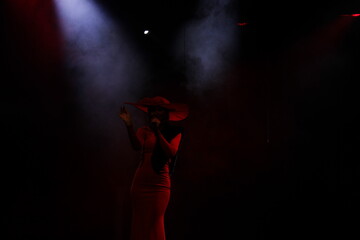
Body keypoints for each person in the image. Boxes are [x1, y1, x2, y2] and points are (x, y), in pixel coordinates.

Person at [119, 96, 189, 240]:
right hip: (140, 184)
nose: (155, 113)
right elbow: (136, 146)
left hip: (159, 184)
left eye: (159, 110)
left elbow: (170, 152)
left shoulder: (175, 132)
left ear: (166, 113)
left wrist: (157, 131)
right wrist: (129, 126)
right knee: (140, 222)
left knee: (155, 222)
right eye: (152, 110)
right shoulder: (144, 130)